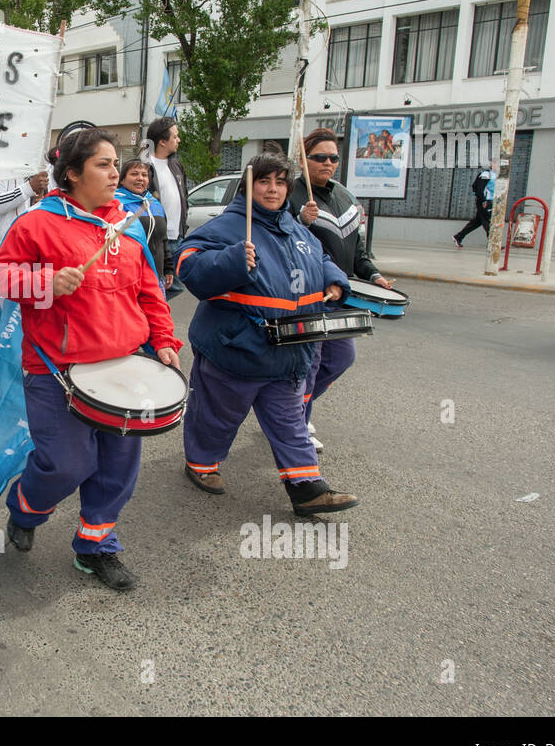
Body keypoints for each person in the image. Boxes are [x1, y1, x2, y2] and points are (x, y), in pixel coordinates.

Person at [0, 128, 182, 592]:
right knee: (66, 465)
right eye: (103, 164)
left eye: (116, 163)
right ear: (72, 173)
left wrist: (164, 341)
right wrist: (45, 282)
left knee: (118, 468)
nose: (116, 172)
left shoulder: (129, 224)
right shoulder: (37, 222)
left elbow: (150, 293)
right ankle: (25, 507)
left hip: (124, 369)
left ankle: (96, 547)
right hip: (56, 370)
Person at [176, 151, 359, 517]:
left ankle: (306, 488)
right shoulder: (227, 226)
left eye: (279, 182)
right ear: (248, 186)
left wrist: (336, 282)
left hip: (288, 352)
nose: (273, 189)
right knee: (216, 416)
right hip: (235, 350)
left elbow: (319, 258)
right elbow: (187, 264)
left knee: (290, 421)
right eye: (263, 181)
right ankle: (201, 463)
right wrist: (230, 260)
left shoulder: (294, 226)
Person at [289, 127, 395, 450]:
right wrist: (300, 220)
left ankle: (292, 409)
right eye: (319, 157)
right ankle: (297, 419)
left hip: (343, 295)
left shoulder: (344, 197)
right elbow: (281, 241)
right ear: (304, 160)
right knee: (310, 364)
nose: (328, 163)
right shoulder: (292, 194)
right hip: (309, 295)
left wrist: (374, 275)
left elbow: (357, 249)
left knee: (342, 357)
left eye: (333, 157)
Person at [144, 117, 189, 298]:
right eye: (175, 137)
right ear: (162, 142)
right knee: (158, 284)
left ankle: (152, 313)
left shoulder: (176, 165)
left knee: (176, 284)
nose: (178, 140)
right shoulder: (145, 167)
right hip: (158, 239)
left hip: (177, 236)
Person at [116, 156, 172, 292]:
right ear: (122, 179)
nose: (140, 178)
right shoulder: (116, 204)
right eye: (134, 174)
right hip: (127, 279)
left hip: (155, 275)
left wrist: (168, 267)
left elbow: (163, 239)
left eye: (144, 175)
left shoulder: (154, 203)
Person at [0, 169, 49, 250]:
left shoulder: (28, 169)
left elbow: (23, 205)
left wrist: (35, 206)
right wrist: (30, 187)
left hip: (30, 242)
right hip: (6, 245)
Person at [453, 160, 497, 247]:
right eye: (495, 163)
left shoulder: (496, 175)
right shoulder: (486, 174)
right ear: (491, 164)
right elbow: (478, 187)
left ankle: (458, 237)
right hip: (484, 201)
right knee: (488, 221)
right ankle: (493, 243)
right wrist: (483, 200)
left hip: (490, 201)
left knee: (477, 222)